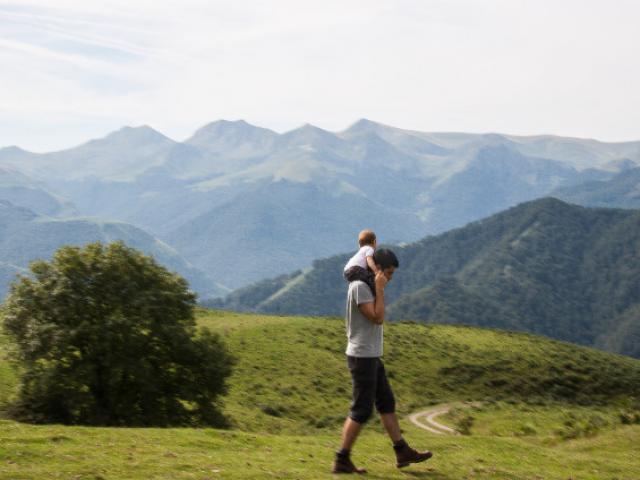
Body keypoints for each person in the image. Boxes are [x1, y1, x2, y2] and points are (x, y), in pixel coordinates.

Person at [333, 248, 433, 474]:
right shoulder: (360, 287)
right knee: (361, 410)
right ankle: (341, 459)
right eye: (388, 272)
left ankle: (402, 450)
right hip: (362, 356)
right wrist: (379, 288)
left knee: (386, 402)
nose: (390, 278)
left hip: (371, 355)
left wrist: (378, 287)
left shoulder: (367, 285)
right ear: (377, 268)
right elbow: (377, 318)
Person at [343, 229, 379, 296]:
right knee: (371, 277)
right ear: (374, 242)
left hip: (347, 271)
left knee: (363, 278)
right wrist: (376, 271)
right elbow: (369, 260)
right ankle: (374, 294)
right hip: (355, 269)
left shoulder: (361, 250)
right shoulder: (369, 248)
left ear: (359, 244)